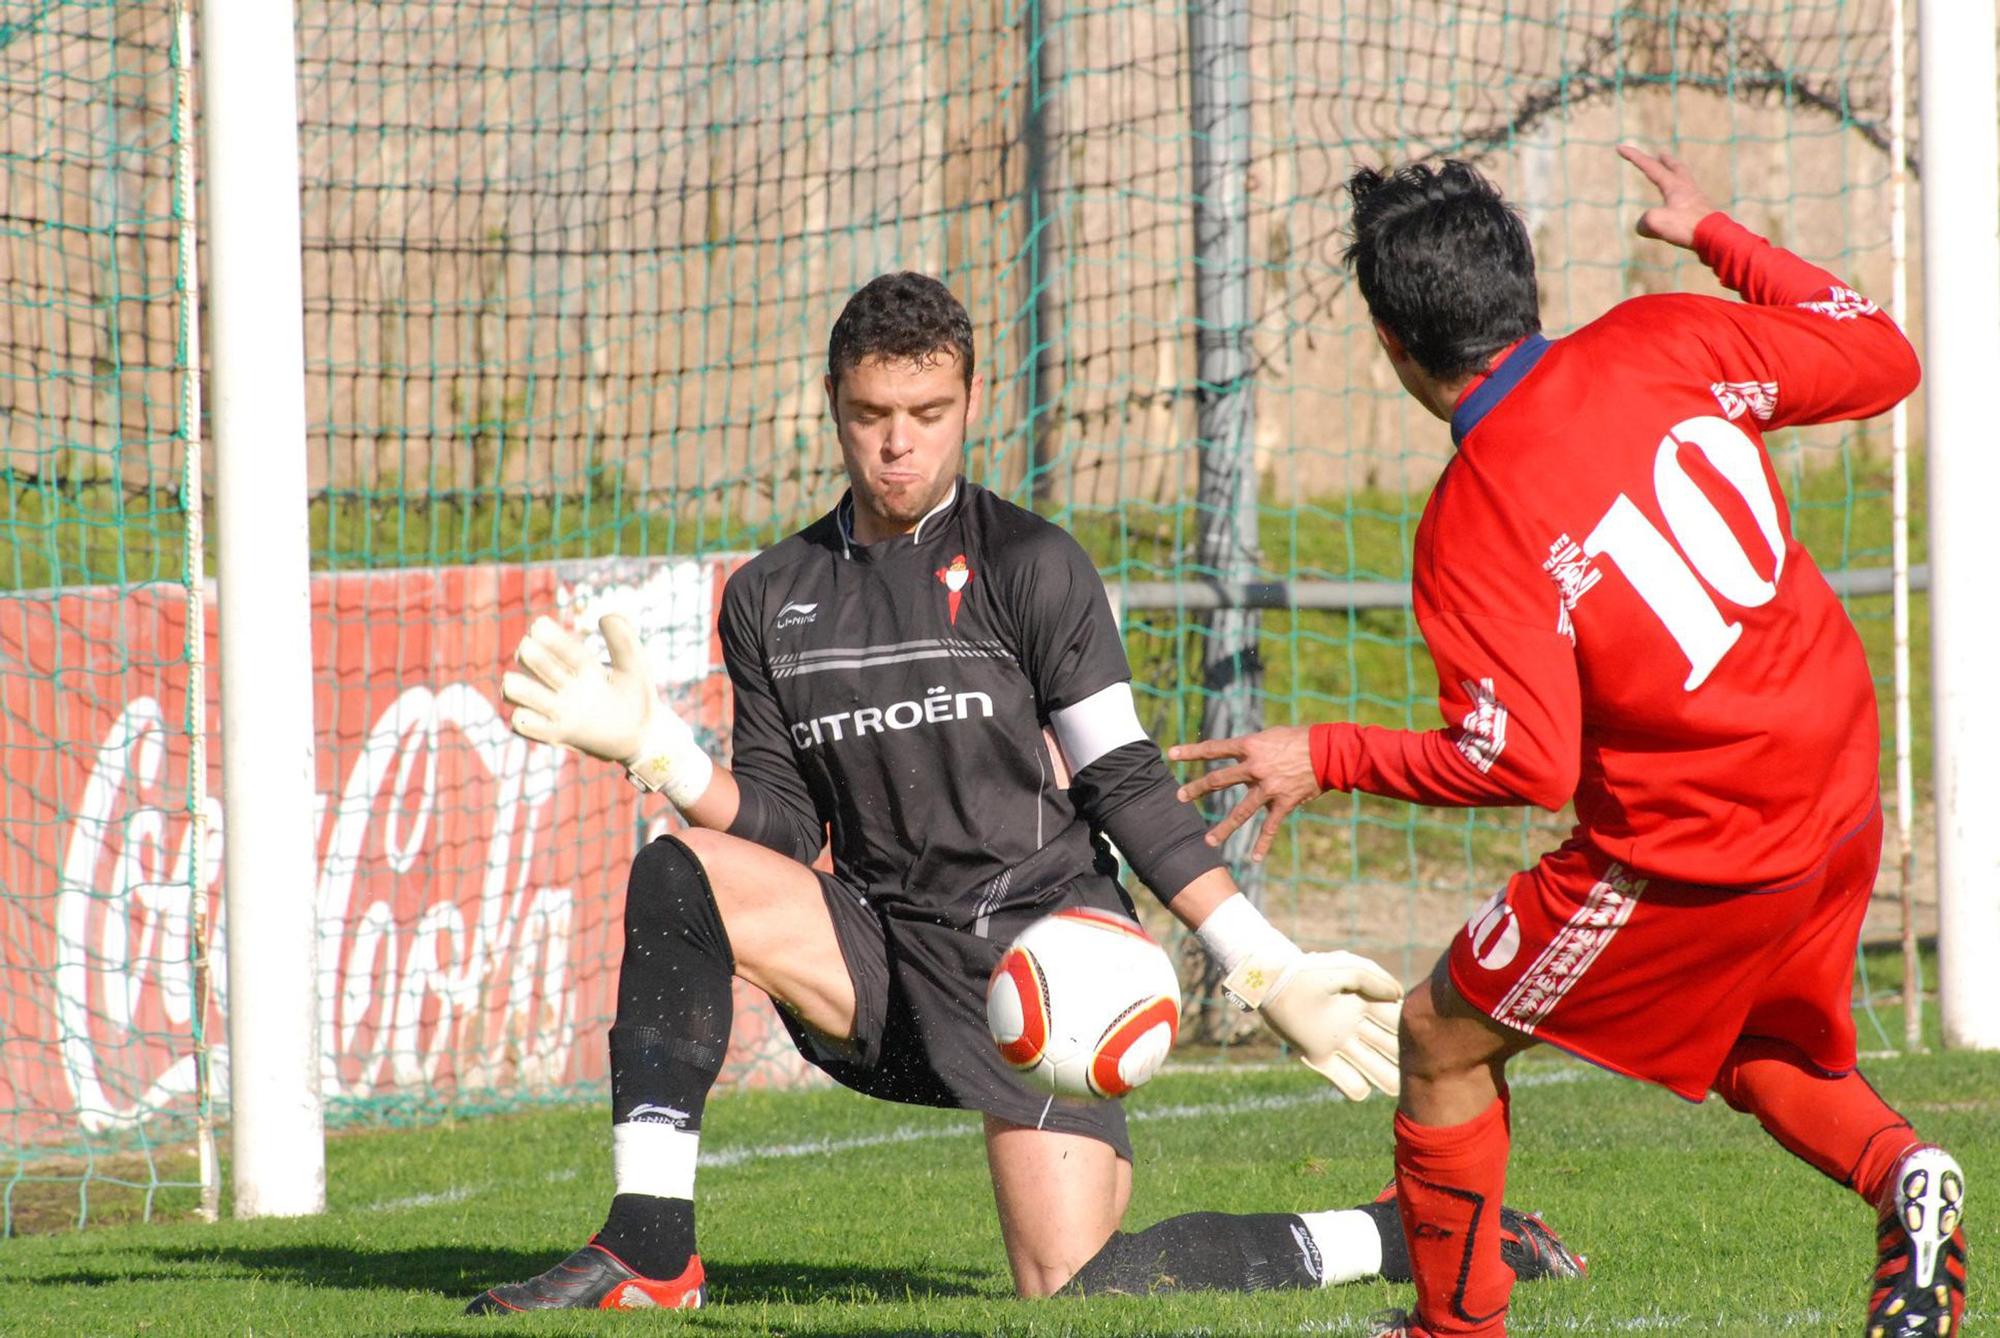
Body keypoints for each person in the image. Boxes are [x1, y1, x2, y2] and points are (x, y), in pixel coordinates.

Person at [464, 272, 1579, 1314]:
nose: (898, 444)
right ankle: (647, 1251)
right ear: (832, 407)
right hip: (881, 956)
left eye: (927, 412)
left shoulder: (1032, 563)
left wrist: (1260, 961)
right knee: (680, 872)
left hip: (1042, 959)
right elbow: (781, 825)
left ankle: (1387, 1235)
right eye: (870, 415)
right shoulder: (771, 594)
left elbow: (1124, 781)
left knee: (1074, 1290)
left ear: (969, 402)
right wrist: (658, 750)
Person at [1171, 148, 1966, 1338]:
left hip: (1696, 836)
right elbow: (1880, 356)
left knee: (1437, 1037)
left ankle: (1455, 1328)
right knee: (1747, 1042)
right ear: (1520, 279)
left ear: (1393, 345)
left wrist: (1323, 753)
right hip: (1840, 781)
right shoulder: (1665, 337)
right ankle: (1905, 1178)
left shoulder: (1474, 513)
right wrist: (1716, 233)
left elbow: (1520, 763)